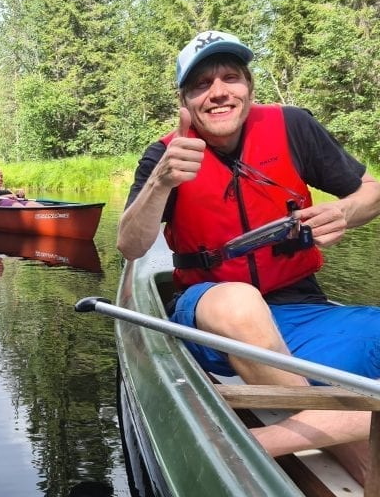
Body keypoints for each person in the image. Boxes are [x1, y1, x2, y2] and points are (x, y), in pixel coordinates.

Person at [116, 30, 380, 485]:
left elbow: (371, 191)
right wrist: (161, 182)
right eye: (201, 84)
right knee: (238, 301)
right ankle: (337, 436)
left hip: (301, 309)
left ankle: (262, 440)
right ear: (185, 101)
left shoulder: (293, 126)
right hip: (211, 317)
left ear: (249, 88)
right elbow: (131, 246)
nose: (218, 92)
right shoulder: (164, 155)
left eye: (230, 77)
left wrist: (345, 210)